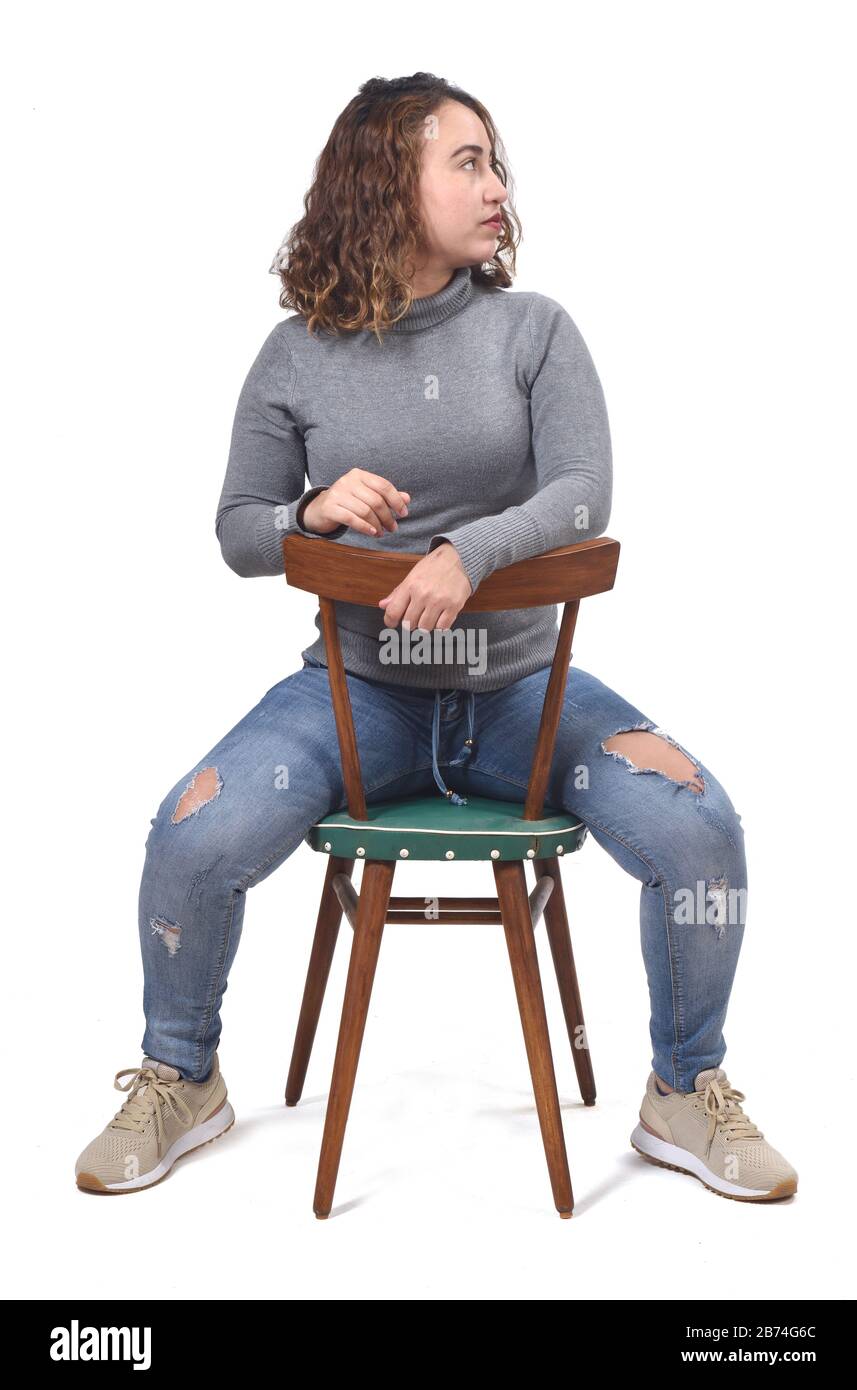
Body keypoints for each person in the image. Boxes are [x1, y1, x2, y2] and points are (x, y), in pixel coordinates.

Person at [75, 72, 797, 1203]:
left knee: (701, 828)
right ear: (384, 180)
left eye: (496, 163)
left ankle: (682, 1089)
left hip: (522, 697)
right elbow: (235, 530)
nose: (497, 187)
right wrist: (304, 516)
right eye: (466, 162)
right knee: (188, 836)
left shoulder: (532, 330)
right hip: (356, 696)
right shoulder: (296, 354)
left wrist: (468, 556)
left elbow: (580, 493)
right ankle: (182, 1076)